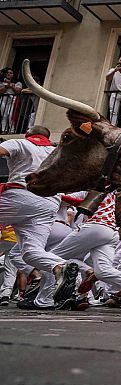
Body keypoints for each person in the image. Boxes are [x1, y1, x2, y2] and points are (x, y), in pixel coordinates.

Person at [0, 126, 79, 310]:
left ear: (29, 134)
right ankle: (58, 268)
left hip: (21, 196)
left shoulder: (21, 142)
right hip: (49, 204)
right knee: (31, 252)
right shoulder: (56, 151)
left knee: (25, 253)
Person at [0, 68, 23, 133]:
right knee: (4, 115)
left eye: (10, 73)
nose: (8, 74)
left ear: (13, 75)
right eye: (7, 73)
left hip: (13, 99)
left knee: (10, 115)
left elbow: (18, 91)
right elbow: (0, 91)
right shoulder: (1, 83)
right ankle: (4, 130)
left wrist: (11, 86)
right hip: (4, 99)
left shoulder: (18, 83)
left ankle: (12, 130)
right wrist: (7, 86)